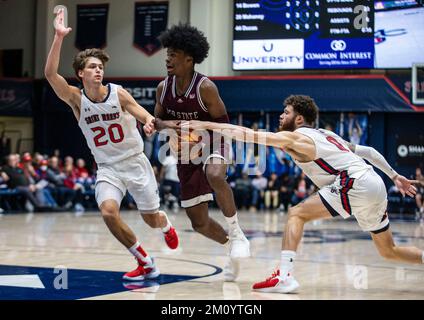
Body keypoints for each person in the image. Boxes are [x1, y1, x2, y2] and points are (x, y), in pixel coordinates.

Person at [185, 94, 423, 293]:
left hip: (355, 182)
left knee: (296, 214)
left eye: (286, 112)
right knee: (388, 251)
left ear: (299, 118)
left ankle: (285, 275)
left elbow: (248, 134)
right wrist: (394, 176)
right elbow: (369, 151)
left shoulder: (295, 137)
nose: (281, 116)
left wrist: (207, 125)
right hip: (374, 183)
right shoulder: (328, 135)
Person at [44, 9, 179, 281]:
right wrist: (58, 37)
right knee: (108, 212)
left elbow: (142, 113)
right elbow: (49, 74)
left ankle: (165, 225)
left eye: (100, 67)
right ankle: (145, 262)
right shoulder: (75, 99)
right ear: (81, 73)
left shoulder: (118, 93)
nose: (98, 70)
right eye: (92, 67)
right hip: (108, 167)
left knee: (151, 219)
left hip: (134, 161)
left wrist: (151, 122)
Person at [153, 23, 250, 281]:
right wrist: (164, 129)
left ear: (189, 58)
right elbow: (156, 122)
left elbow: (223, 125)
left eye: (174, 54)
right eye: (168, 53)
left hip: (214, 140)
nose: (168, 58)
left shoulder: (205, 88)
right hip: (186, 152)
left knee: (216, 175)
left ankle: (238, 233)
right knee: (199, 223)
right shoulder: (164, 88)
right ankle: (231, 245)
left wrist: (188, 129)